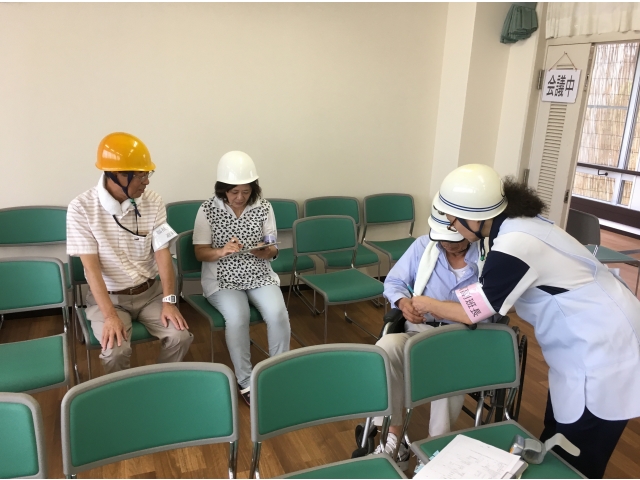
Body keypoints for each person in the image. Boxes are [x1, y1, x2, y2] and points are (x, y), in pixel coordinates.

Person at [417, 163, 640, 479]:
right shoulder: (516, 225)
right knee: (557, 435)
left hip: (604, 350)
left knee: (577, 457)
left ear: (474, 217)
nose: (453, 227)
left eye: (453, 220)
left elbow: (473, 310)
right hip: (591, 336)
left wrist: (428, 304)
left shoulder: (514, 244)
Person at [369, 204, 493, 470]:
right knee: (385, 348)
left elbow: (483, 309)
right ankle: (394, 439)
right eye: (442, 240)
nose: (446, 245)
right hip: (420, 332)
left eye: (453, 241)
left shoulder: (488, 255)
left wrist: (431, 304)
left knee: (444, 365)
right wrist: (403, 303)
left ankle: (435, 449)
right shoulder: (424, 246)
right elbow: (394, 282)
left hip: (465, 338)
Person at [67, 132, 193, 373]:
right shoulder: (81, 208)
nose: (147, 182)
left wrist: (169, 301)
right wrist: (110, 316)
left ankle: (159, 383)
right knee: (115, 352)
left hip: (150, 293)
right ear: (118, 175)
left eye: (148, 174)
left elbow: (163, 254)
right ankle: (124, 391)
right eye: (141, 175)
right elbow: (91, 270)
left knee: (181, 337)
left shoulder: (153, 201)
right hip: (110, 298)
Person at [193, 151, 291, 405]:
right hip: (222, 278)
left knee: (278, 313)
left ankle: (278, 372)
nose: (240, 197)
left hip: (259, 274)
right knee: (238, 318)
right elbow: (200, 252)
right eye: (234, 192)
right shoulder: (207, 209)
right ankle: (245, 381)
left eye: (246, 192)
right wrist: (221, 251)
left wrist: (266, 251)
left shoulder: (264, 207)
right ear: (223, 189)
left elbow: (273, 247)